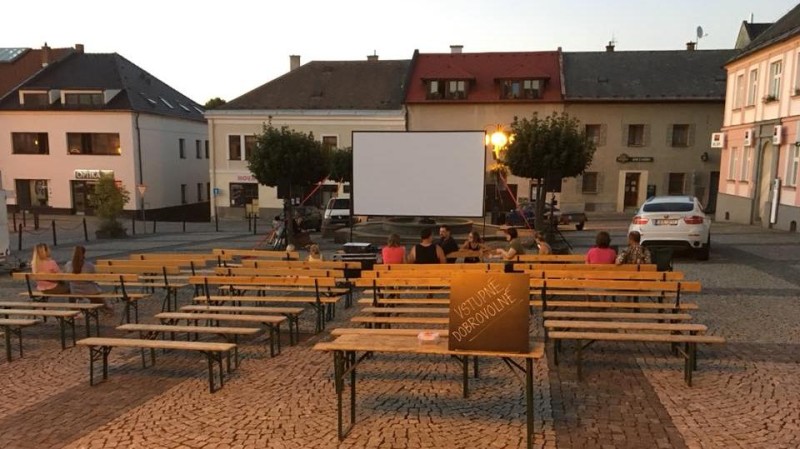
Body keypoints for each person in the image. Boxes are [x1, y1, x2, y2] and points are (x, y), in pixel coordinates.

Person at [63, 245, 111, 313]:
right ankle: (107, 308)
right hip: (89, 290)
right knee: (96, 292)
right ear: (84, 253)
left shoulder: (68, 265)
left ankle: (74, 309)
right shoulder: (89, 265)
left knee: (93, 291)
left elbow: (65, 276)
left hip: (74, 290)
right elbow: (93, 277)